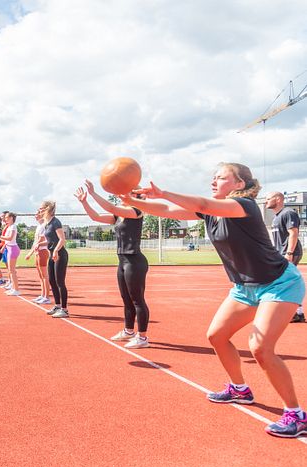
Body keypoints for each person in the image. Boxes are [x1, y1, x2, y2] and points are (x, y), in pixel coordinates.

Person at [125, 162, 306, 438]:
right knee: (217, 336)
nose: (214, 181)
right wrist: (130, 199)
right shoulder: (210, 213)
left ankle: (295, 414)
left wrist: (161, 191)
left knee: (259, 347)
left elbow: (200, 202)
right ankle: (240, 389)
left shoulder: (245, 206)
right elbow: (165, 211)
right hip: (245, 287)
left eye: (221, 178)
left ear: (239, 185)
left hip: (279, 284)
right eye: (213, 177)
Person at [76, 180, 149, 348]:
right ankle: (128, 331)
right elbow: (95, 216)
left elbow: (111, 208)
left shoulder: (136, 211)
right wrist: (85, 201)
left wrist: (94, 193)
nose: (123, 193)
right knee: (126, 299)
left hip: (134, 261)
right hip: (122, 261)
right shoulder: (119, 215)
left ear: (135, 196)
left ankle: (143, 337)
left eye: (128, 191)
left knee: (137, 300)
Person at [265, 191, 304, 323]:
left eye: (268, 198)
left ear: (278, 199)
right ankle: (297, 313)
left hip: (289, 253)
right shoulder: (277, 217)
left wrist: (289, 253)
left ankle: (295, 313)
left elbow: (293, 233)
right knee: (285, 282)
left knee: (284, 282)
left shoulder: (288, 213)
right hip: (281, 253)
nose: (266, 201)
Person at [40, 201, 69, 318]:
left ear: (48, 209)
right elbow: (51, 239)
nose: (40, 210)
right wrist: (40, 243)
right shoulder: (47, 223)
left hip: (60, 254)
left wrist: (56, 250)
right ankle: (57, 305)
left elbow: (62, 239)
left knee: (60, 282)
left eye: (42, 208)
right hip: (52, 254)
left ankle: (64, 309)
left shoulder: (56, 222)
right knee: (52, 281)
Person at [24, 210, 51, 304]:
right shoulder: (39, 226)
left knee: (44, 275)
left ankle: (47, 297)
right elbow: (36, 242)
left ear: (42, 214)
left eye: (37, 213)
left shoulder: (44, 225)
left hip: (43, 251)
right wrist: (31, 253)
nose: (35, 215)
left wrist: (30, 253)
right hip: (37, 252)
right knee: (40, 275)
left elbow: (41, 240)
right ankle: (43, 295)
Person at [0, 212, 21, 296]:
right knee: (11, 271)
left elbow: (10, 238)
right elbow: (7, 240)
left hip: (13, 249)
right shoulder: (9, 226)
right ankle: (13, 288)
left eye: (6, 217)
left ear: (11, 218)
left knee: (12, 271)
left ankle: (16, 289)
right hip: (10, 248)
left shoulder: (13, 226)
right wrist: (3, 246)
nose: (5, 219)